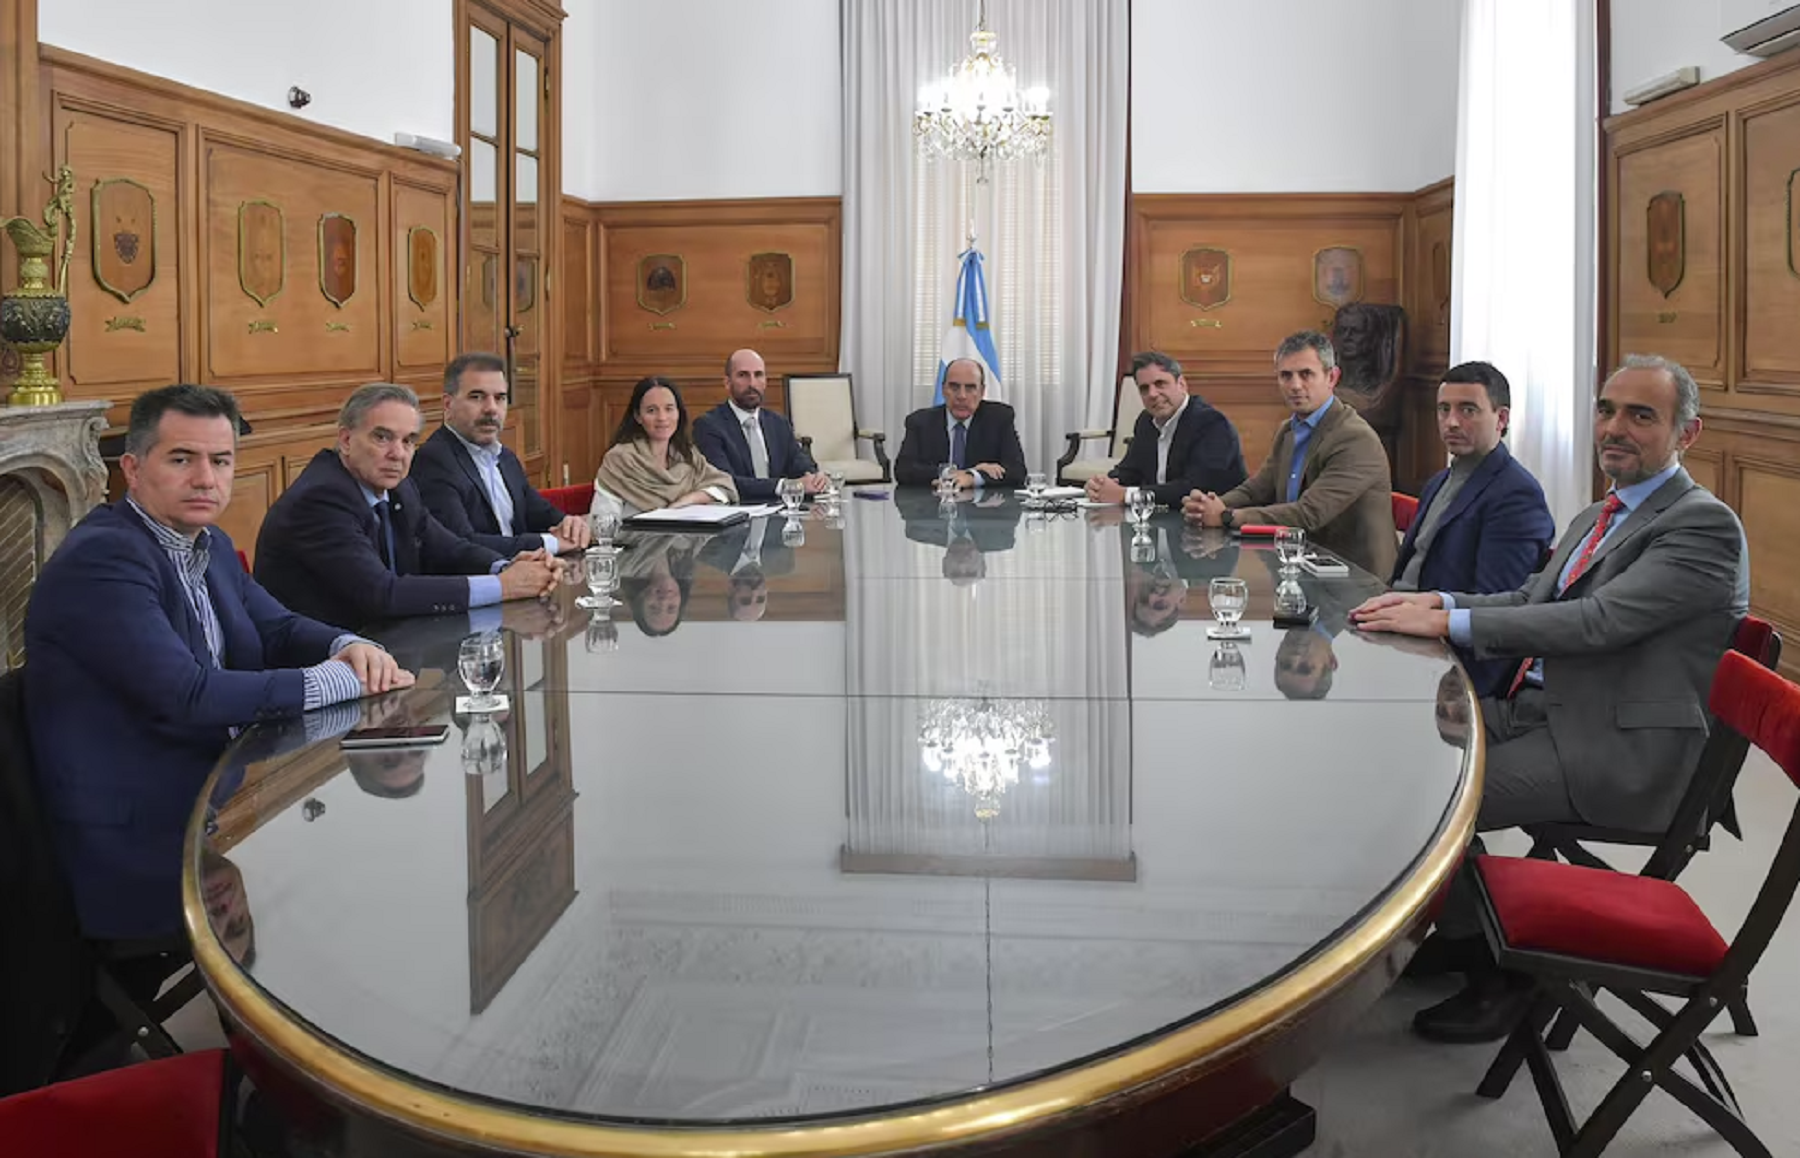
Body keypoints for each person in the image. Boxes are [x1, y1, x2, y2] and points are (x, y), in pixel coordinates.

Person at [1351, 354, 1749, 1043]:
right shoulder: (1603, 511)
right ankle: (1470, 933)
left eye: (1640, 415)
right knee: (1396, 763)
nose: (1614, 428)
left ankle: (1510, 974)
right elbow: (1531, 601)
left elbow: (1597, 624)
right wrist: (1437, 599)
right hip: (1547, 709)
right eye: (1606, 410)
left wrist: (1449, 624)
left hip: (1621, 749)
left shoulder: (1702, 527)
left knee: (1433, 803)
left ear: (1688, 433)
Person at [24, 385, 412, 944]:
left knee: (366, 858)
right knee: (341, 903)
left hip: (216, 794)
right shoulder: (103, 558)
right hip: (142, 839)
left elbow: (277, 627)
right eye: (182, 459)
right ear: (132, 469)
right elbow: (188, 695)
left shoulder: (206, 542)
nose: (206, 478)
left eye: (221, 460)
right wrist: (339, 681)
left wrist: (348, 646)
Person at [256, 383, 560, 631]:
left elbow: (447, 547)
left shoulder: (400, 486)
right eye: (382, 437)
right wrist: (503, 586)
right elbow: (383, 593)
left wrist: (507, 566)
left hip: (390, 650)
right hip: (324, 667)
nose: (397, 454)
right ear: (346, 440)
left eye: (408, 441)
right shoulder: (321, 498)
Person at [1389, 361, 1556, 696]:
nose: (1451, 422)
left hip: (1443, 654)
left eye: (1468, 410)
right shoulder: (1440, 480)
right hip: (1400, 627)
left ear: (1502, 419)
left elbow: (1495, 606)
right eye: (1444, 409)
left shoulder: (1515, 493)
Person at [1184, 331, 1397, 577]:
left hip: (1355, 581)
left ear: (1332, 377)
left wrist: (1226, 516)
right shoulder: (1288, 429)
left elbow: (1309, 514)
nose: (1295, 386)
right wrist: (1211, 506)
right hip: (1299, 567)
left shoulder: (1354, 438)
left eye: (1306, 374)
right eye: (1286, 375)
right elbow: (1257, 490)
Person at [411, 352, 592, 556]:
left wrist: (570, 526)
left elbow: (540, 512)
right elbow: (462, 544)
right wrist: (551, 543)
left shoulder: (505, 457)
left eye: (500, 398)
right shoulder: (435, 460)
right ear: (448, 405)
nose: (491, 409)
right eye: (477, 397)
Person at [1085, 351, 1247, 508]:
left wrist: (1127, 495)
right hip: (1164, 519)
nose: (1152, 394)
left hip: (1216, 525)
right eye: (1144, 389)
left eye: (1160, 384)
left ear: (1182, 385)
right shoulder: (1146, 421)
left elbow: (1195, 488)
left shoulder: (1212, 424)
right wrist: (1100, 485)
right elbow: (1128, 471)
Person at [692, 349, 827, 501]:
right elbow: (725, 482)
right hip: (737, 512)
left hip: (781, 512)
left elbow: (799, 461)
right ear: (727, 383)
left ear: (765, 382)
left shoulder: (778, 423)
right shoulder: (708, 425)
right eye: (743, 375)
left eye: (758, 375)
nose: (752, 383)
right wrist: (784, 486)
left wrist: (813, 477)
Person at [594, 376, 737, 513]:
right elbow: (603, 523)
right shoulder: (619, 460)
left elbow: (724, 486)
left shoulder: (688, 456)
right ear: (638, 416)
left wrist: (688, 500)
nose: (662, 418)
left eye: (669, 409)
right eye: (651, 410)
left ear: (678, 413)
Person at [893, 359, 1027, 488]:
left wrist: (972, 478)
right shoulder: (920, 422)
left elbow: (1017, 471)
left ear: (981, 392)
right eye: (954, 387)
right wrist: (957, 474)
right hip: (934, 505)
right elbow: (904, 470)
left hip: (983, 507)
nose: (961, 396)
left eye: (970, 388)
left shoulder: (999, 418)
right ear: (943, 390)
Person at [619, 535, 699, 636]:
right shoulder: (684, 559)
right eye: (671, 607)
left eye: (653, 607)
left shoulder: (625, 566)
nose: (664, 600)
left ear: (639, 599)